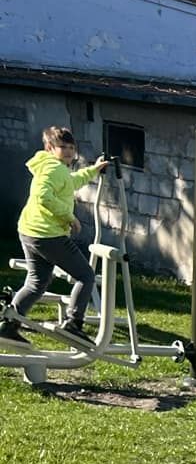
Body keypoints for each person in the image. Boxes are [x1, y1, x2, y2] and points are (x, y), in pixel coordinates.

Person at [3, 126, 108, 345]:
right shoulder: (54, 168)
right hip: (48, 235)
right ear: (50, 148)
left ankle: (8, 325)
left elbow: (71, 182)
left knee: (37, 282)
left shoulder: (52, 167)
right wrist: (69, 217)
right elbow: (42, 196)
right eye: (63, 147)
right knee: (86, 276)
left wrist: (94, 169)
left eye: (71, 147)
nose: (69, 151)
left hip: (30, 232)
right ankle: (73, 323)